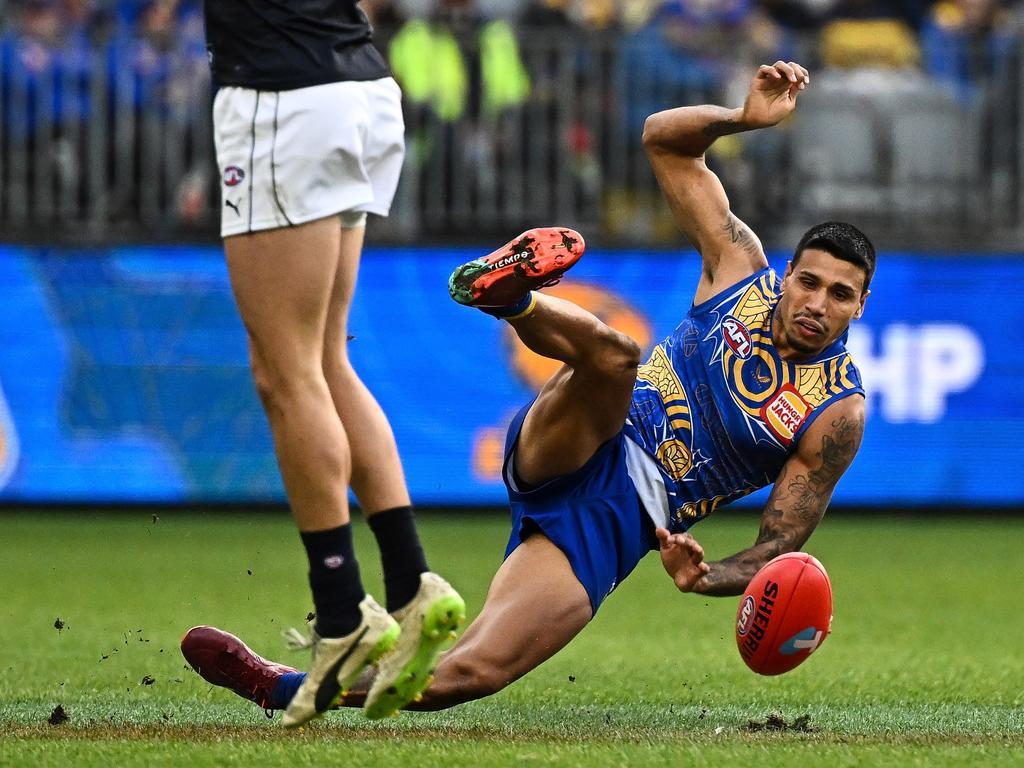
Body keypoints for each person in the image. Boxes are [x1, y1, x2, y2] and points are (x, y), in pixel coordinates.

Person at [182, 60, 869, 715]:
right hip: (584, 431)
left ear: (859, 307)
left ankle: (284, 686)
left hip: (624, 518)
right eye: (808, 281)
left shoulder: (837, 411)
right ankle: (511, 298)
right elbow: (664, 143)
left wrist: (707, 575)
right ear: (786, 273)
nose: (817, 302)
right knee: (616, 357)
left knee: (471, 673)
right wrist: (741, 118)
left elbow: (780, 544)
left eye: (840, 294)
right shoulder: (740, 272)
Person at [196, 0, 464, 728]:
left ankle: (344, 614)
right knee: (324, 360)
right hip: (362, 86)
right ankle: (411, 589)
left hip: (283, 97)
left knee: (285, 374)